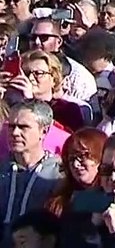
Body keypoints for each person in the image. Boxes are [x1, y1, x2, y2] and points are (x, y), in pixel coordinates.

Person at [0, 101, 61, 243]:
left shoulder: (58, 173)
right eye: (11, 127)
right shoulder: (2, 169)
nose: (15, 133)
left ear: (44, 131)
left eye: (23, 127)